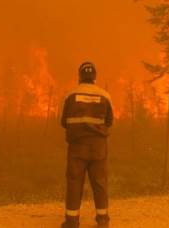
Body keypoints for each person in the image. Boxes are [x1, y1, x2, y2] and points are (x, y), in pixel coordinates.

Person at [60, 62, 113, 228]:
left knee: (74, 182)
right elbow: (109, 122)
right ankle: (103, 221)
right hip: (98, 147)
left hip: (77, 147)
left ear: (80, 76)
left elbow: (63, 122)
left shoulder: (71, 95)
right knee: (100, 183)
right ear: (95, 77)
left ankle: (72, 222)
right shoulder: (105, 95)